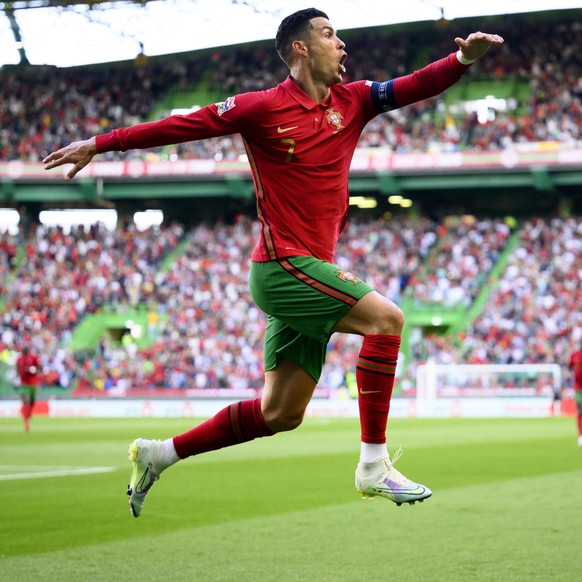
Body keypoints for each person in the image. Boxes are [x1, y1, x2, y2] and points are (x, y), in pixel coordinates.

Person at [43, 8, 504, 517]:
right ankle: (373, 465)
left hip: (308, 271)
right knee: (387, 320)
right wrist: (101, 143)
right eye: (329, 34)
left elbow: (414, 84)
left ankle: (160, 454)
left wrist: (461, 59)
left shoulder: (354, 101)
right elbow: (181, 125)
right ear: (300, 49)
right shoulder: (260, 107)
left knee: (281, 412)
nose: (342, 44)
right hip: (282, 266)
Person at [16, 345, 41, 432]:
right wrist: (17, 377)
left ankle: (28, 414)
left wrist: (33, 370)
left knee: (32, 402)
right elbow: (17, 369)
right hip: (24, 384)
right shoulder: (19, 359)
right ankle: (26, 422)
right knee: (26, 400)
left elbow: (39, 367)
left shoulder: (33, 357)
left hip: (33, 384)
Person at [568, 345, 582, 446]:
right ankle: (581, 435)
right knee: (581, 411)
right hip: (579, 389)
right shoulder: (575, 355)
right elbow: (569, 366)